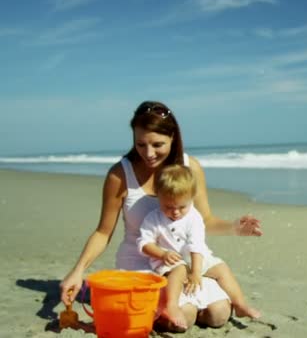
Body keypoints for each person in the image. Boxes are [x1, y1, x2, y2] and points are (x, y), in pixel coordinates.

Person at [60, 101, 263, 332]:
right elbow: (103, 232)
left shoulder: (190, 168)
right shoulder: (120, 174)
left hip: (186, 262)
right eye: (141, 144)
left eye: (157, 144)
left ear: (173, 137)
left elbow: (204, 220)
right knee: (184, 317)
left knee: (218, 314)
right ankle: (172, 307)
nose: (148, 153)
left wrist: (235, 227)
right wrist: (77, 272)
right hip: (143, 262)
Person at [137, 164, 261, 329]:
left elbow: (196, 246)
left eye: (182, 207)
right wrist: (162, 254)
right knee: (179, 269)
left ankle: (239, 304)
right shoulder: (153, 219)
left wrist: (196, 273)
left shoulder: (193, 217)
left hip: (196, 258)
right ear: (158, 197)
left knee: (221, 267)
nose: (175, 212)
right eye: (168, 207)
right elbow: (144, 243)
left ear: (191, 198)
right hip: (169, 262)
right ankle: (172, 305)